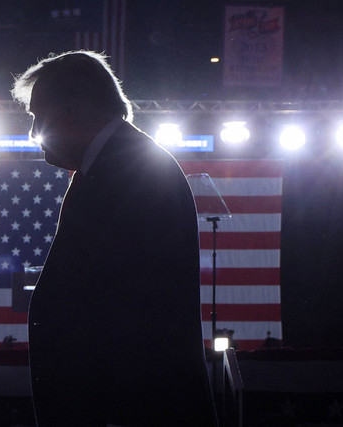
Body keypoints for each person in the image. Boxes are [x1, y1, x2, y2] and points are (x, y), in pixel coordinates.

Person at [12, 51, 218, 426]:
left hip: (126, 408)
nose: (32, 132)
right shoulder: (120, 164)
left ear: (72, 110)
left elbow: (121, 314)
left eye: (37, 116)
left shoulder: (128, 171)